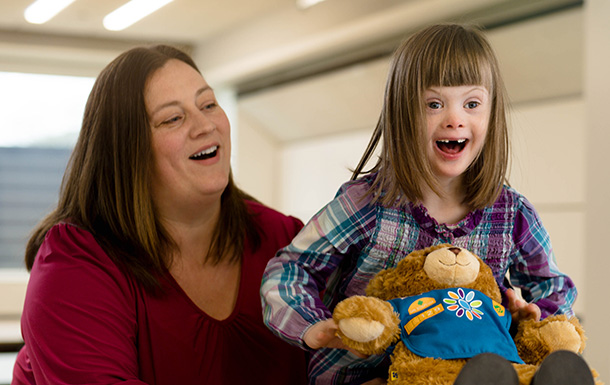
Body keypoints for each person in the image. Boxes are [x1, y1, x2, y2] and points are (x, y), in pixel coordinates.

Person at [261, 24, 582, 384]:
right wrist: (313, 325)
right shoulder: (366, 203)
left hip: (474, 370)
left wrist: (536, 318)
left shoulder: (512, 214)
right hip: (369, 374)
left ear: (492, 115)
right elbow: (289, 271)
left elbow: (555, 289)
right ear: (402, 113)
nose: (455, 119)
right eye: (434, 104)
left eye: (472, 104)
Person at [12, 45, 308, 385]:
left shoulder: (282, 238)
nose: (204, 125)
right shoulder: (77, 264)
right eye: (173, 118)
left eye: (208, 104)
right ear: (128, 151)